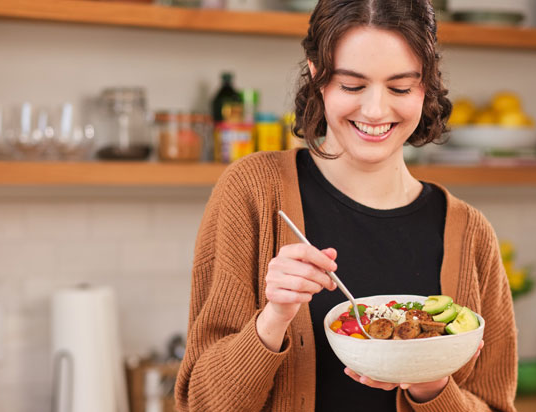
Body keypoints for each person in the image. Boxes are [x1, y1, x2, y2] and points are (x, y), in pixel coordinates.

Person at [175, 0, 517, 411]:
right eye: (352, 86)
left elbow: (495, 404)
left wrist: (432, 385)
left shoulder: (470, 232)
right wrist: (274, 317)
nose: (375, 110)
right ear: (318, 76)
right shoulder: (254, 192)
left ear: (426, 85)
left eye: (400, 87)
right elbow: (200, 404)